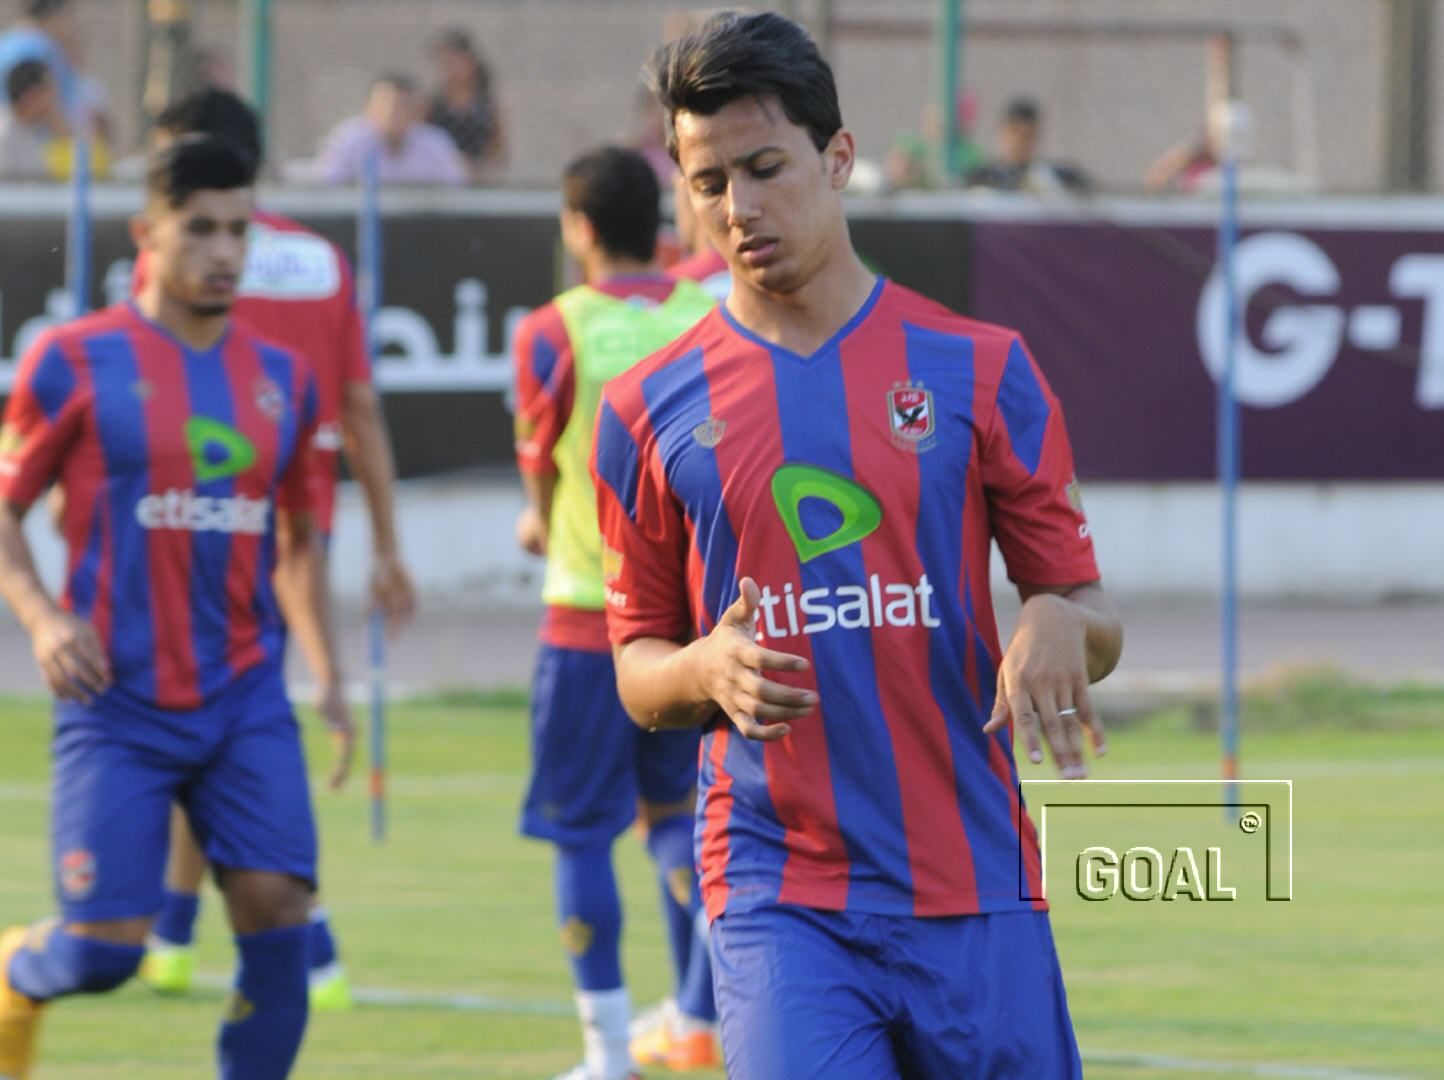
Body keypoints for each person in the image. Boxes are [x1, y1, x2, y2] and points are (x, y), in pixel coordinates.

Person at [593, 13, 1123, 1079]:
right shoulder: (646, 409)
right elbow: (638, 669)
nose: (737, 208)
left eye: (764, 167)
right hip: (778, 894)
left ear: (835, 159)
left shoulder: (981, 370)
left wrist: (1057, 619)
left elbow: (1083, 608)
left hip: (972, 881)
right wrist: (702, 667)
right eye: (705, 183)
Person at [0, 134, 350, 1080]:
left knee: (278, 908)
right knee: (107, 950)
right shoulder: (72, 361)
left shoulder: (284, 378)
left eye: (239, 229)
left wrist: (326, 676)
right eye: (200, 229)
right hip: (116, 701)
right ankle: (16, 973)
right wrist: (39, 612)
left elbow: (300, 539)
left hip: (242, 696)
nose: (225, 251)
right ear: (146, 231)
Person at [128, 87, 417, 1011]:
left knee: (213, 723)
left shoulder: (179, 253)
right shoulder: (325, 263)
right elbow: (360, 406)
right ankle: (173, 935)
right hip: (299, 515)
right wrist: (386, 540)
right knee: (214, 714)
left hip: (191, 520)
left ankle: (310, 938)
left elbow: (146, 386)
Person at [512, 146, 719, 1080]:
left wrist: (533, 513)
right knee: (677, 815)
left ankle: (605, 1053)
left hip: (590, 616)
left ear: (578, 227)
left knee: (582, 829)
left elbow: (540, 457)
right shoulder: (702, 314)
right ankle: (700, 1017)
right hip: (690, 621)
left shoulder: (557, 330)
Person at [314, 73, 466, 186]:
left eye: (403, 106)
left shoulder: (435, 142)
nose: (394, 114)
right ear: (370, 109)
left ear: (417, 111)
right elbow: (327, 185)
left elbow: (455, 187)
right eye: (387, 106)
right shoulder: (348, 140)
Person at [966, 95, 1092, 195]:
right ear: (1001, 133)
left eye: (1027, 135)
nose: (1019, 141)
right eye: (1014, 132)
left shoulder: (1060, 177)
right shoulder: (981, 178)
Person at [425, 27, 505, 180]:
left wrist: (480, 167)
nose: (449, 69)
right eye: (444, 63)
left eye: (454, 62)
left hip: (478, 178)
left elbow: (497, 149)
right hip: (439, 178)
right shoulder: (433, 104)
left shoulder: (487, 105)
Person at [0, 59, 62, 179]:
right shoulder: (4, 133)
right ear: (30, 95)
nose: (54, 97)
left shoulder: (39, 128)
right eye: (48, 90)